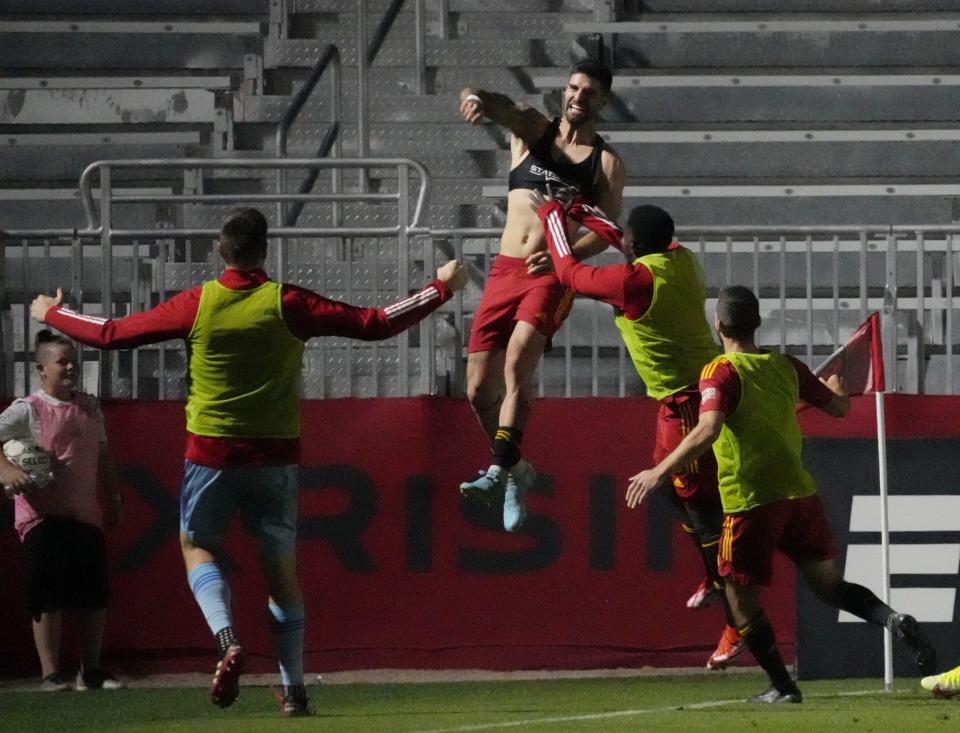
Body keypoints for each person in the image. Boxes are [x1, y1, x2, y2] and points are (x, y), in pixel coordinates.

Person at [30, 207, 468, 716]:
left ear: (222, 250)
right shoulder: (287, 302)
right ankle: (296, 689)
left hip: (211, 454)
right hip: (275, 458)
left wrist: (51, 313)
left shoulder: (199, 303)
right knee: (281, 571)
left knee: (196, 546)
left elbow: (112, 333)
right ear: (265, 250)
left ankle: (225, 637)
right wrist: (440, 288)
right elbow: (373, 324)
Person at [625, 285, 938, 703]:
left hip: (751, 504)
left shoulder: (719, 371)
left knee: (739, 603)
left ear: (719, 325)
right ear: (757, 323)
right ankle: (893, 619)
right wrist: (838, 389)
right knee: (831, 587)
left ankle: (782, 686)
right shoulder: (787, 367)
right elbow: (840, 408)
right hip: (800, 497)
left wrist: (658, 471)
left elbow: (708, 429)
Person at [536, 194, 742, 669]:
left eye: (625, 238)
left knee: (701, 509)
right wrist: (584, 211)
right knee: (674, 490)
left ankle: (734, 621)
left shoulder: (633, 281)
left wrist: (553, 218)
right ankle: (716, 579)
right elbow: (625, 240)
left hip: (688, 403)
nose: (620, 242)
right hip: (681, 398)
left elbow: (568, 273)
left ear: (637, 246)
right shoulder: (679, 258)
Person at [456, 59, 626, 532]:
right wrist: (475, 98)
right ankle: (517, 470)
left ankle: (495, 470)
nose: (578, 97)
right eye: (573, 88)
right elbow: (500, 105)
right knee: (475, 389)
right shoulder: (534, 131)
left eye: (589, 92)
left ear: (603, 100)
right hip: (505, 270)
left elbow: (609, 231)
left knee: (516, 364)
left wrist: (562, 255)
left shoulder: (606, 163)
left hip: (552, 273)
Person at [0, 330, 124, 692]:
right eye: (61, 362)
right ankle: (51, 675)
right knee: (48, 595)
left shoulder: (89, 406)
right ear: (41, 370)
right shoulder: (28, 409)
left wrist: (114, 497)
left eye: (73, 361)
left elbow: (103, 455)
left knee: (94, 595)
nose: (70, 368)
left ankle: (92, 672)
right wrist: (8, 470)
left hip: (85, 515)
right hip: (41, 517)